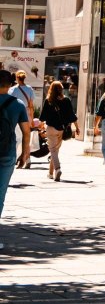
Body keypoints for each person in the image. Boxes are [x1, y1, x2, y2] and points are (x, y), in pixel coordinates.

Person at [1, 70, 31, 250]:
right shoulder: (18, 104)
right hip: (6, 153)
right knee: (0, 195)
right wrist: (25, 153)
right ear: (10, 84)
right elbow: (26, 132)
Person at [39, 81, 80, 182]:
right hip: (62, 129)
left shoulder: (48, 100)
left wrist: (40, 127)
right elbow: (72, 116)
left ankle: (57, 169)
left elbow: (43, 116)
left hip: (51, 128)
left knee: (53, 151)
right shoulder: (66, 100)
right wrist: (77, 127)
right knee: (55, 151)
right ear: (61, 89)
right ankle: (50, 173)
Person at [10, 71, 35, 169]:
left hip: (15, 115)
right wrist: (32, 119)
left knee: (16, 138)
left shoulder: (12, 90)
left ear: (16, 78)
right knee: (26, 137)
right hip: (26, 115)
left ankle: (14, 158)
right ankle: (27, 159)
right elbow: (31, 105)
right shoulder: (29, 89)